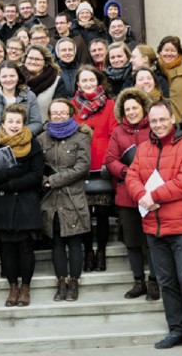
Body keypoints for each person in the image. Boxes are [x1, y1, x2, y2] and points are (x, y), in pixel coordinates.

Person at [126, 100, 182, 356]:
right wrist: (141, 196)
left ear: (172, 118)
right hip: (154, 228)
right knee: (167, 283)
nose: (159, 125)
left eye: (163, 119)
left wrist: (155, 196)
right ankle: (176, 329)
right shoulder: (144, 148)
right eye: (154, 120)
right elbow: (132, 176)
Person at [0, 103, 44, 307]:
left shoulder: (33, 145)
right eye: (10, 121)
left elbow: (36, 176)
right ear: (3, 123)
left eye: (18, 121)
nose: (14, 125)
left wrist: (10, 183)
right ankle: (13, 287)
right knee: (6, 249)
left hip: (26, 204)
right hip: (2, 204)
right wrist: (10, 173)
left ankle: (25, 287)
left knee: (25, 248)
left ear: (24, 123)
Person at [104, 88, 160, 301]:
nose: (131, 112)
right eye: (127, 109)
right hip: (127, 195)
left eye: (135, 107)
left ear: (143, 108)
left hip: (153, 192)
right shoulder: (118, 132)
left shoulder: (154, 128)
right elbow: (110, 160)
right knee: (132, 241)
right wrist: (127, 172)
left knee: (153, 240)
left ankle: (155, 282)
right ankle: (139, 282)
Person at [37, 99, 92, 301]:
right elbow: (36, 166)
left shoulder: (81, 137)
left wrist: (53, 180)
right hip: (50, 199)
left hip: (73, 198)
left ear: (70, 113)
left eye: (63, 112)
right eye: (55, 113)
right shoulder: (42, 139)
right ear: (50, 115)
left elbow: (82, 167)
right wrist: (44, 181)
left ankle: (74, 283)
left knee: (75, 242)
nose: (59, 116)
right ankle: (62, 282)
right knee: (57, 243)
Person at [72, 65, 118, 272]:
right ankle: (88, 251)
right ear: (78, 84)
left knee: (101, 212)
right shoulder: (72, 106)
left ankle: (100, 251)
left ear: (98, 82)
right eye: (84, 81)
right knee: (83, 213)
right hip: (79, 166)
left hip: (101, 165)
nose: (88, 84)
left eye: (92, 80)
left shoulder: (109, 105)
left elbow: (114, 134)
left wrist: (109, 161)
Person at [0, 60, 43, 151]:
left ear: (18, 77)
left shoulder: (29, 96)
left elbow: (37, 123)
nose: (8, 79)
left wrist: (19, 135)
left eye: (12, 76)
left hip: (24, 146)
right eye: (4, 76)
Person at [20, 44, 65, 120]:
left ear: (46, 63)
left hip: (45, 129)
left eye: (37, 59)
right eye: (30, 58)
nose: (33, 62)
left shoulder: (56, 82)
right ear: (25, 59)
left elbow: (59, 111)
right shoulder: (15, 77)